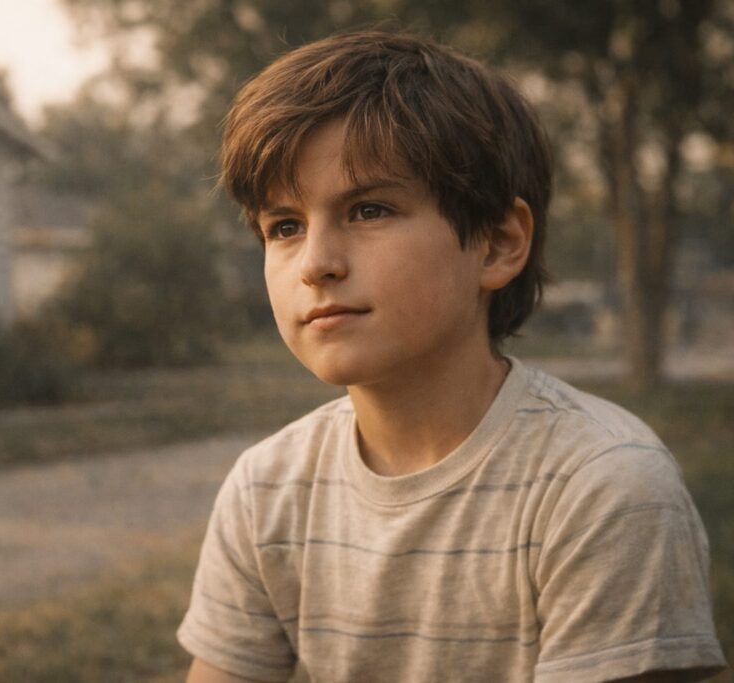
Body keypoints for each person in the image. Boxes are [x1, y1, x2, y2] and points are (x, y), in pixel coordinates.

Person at [177, 29, 727, 683]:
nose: (316, 263)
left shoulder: (605, 489)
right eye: (285, 226)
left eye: (369, 209)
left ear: (497, 244)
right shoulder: (266, 489)